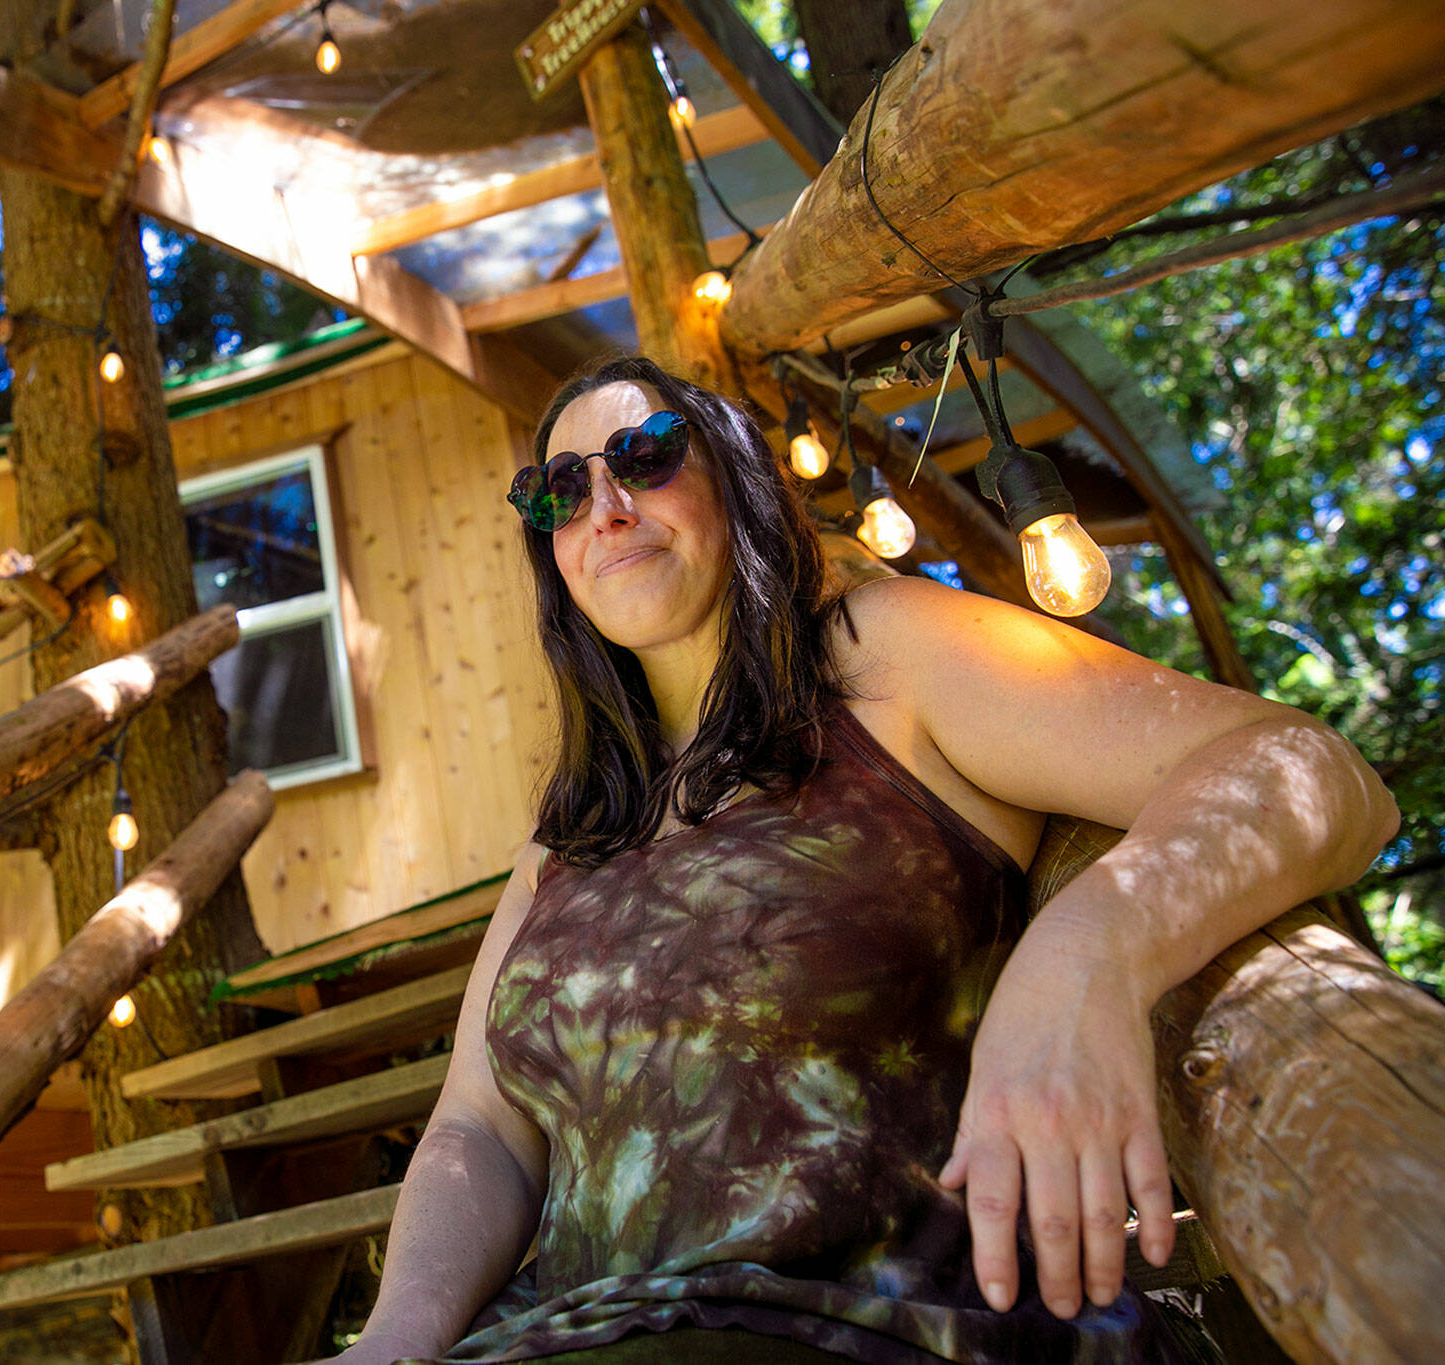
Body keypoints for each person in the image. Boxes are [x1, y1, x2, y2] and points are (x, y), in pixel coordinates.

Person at [325, 356, 1398, 1365]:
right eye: (558, 489)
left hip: (868, 1323)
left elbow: (1307, 769)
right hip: (562, 1334)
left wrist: (1087, 955)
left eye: (645, 456)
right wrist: (390, 1342)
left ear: (736, 483)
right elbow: (480, 1128)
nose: (603, 504)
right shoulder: (571, 830)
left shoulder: (876, 660)